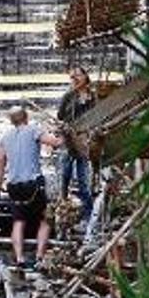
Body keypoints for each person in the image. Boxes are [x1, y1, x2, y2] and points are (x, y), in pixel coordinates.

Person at [0, 106, 64, 270]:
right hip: (32, 185)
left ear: (11, 120)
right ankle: (39, 256)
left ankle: (19, 258)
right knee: (45, 219)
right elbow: (55, 143)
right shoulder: (34, 130)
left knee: (18, 221)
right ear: (26, 117)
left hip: (13, 186)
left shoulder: (5, 137)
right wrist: (65, 134)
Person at [57, 67, 96, 224]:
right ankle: (63, 208)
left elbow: (97, 115)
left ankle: (88, 215)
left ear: (86, 77)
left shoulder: (93, 96)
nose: (75, 79)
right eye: (72, 77)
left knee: (83, 179)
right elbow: (60, 116)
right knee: (64, 176)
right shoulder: (68, 96)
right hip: (69, 141)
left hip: (84, 142)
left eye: (78, 76)